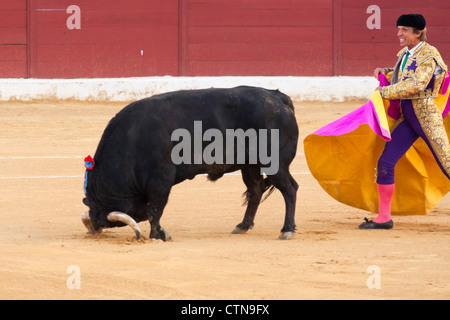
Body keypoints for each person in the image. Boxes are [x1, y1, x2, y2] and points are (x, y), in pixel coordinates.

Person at [359, 14, 450, 229]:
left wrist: (385, 91)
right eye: (399, 29)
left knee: (447, 163)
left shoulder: (429, 55)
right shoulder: (406, 54)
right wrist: (387, 72)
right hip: (408, 117)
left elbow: (417, 84)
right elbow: (404, 76)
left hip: (426, 117)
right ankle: (384, 217)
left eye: (405, 30)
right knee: (386, 162)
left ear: (418, 33)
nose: (399, 34)